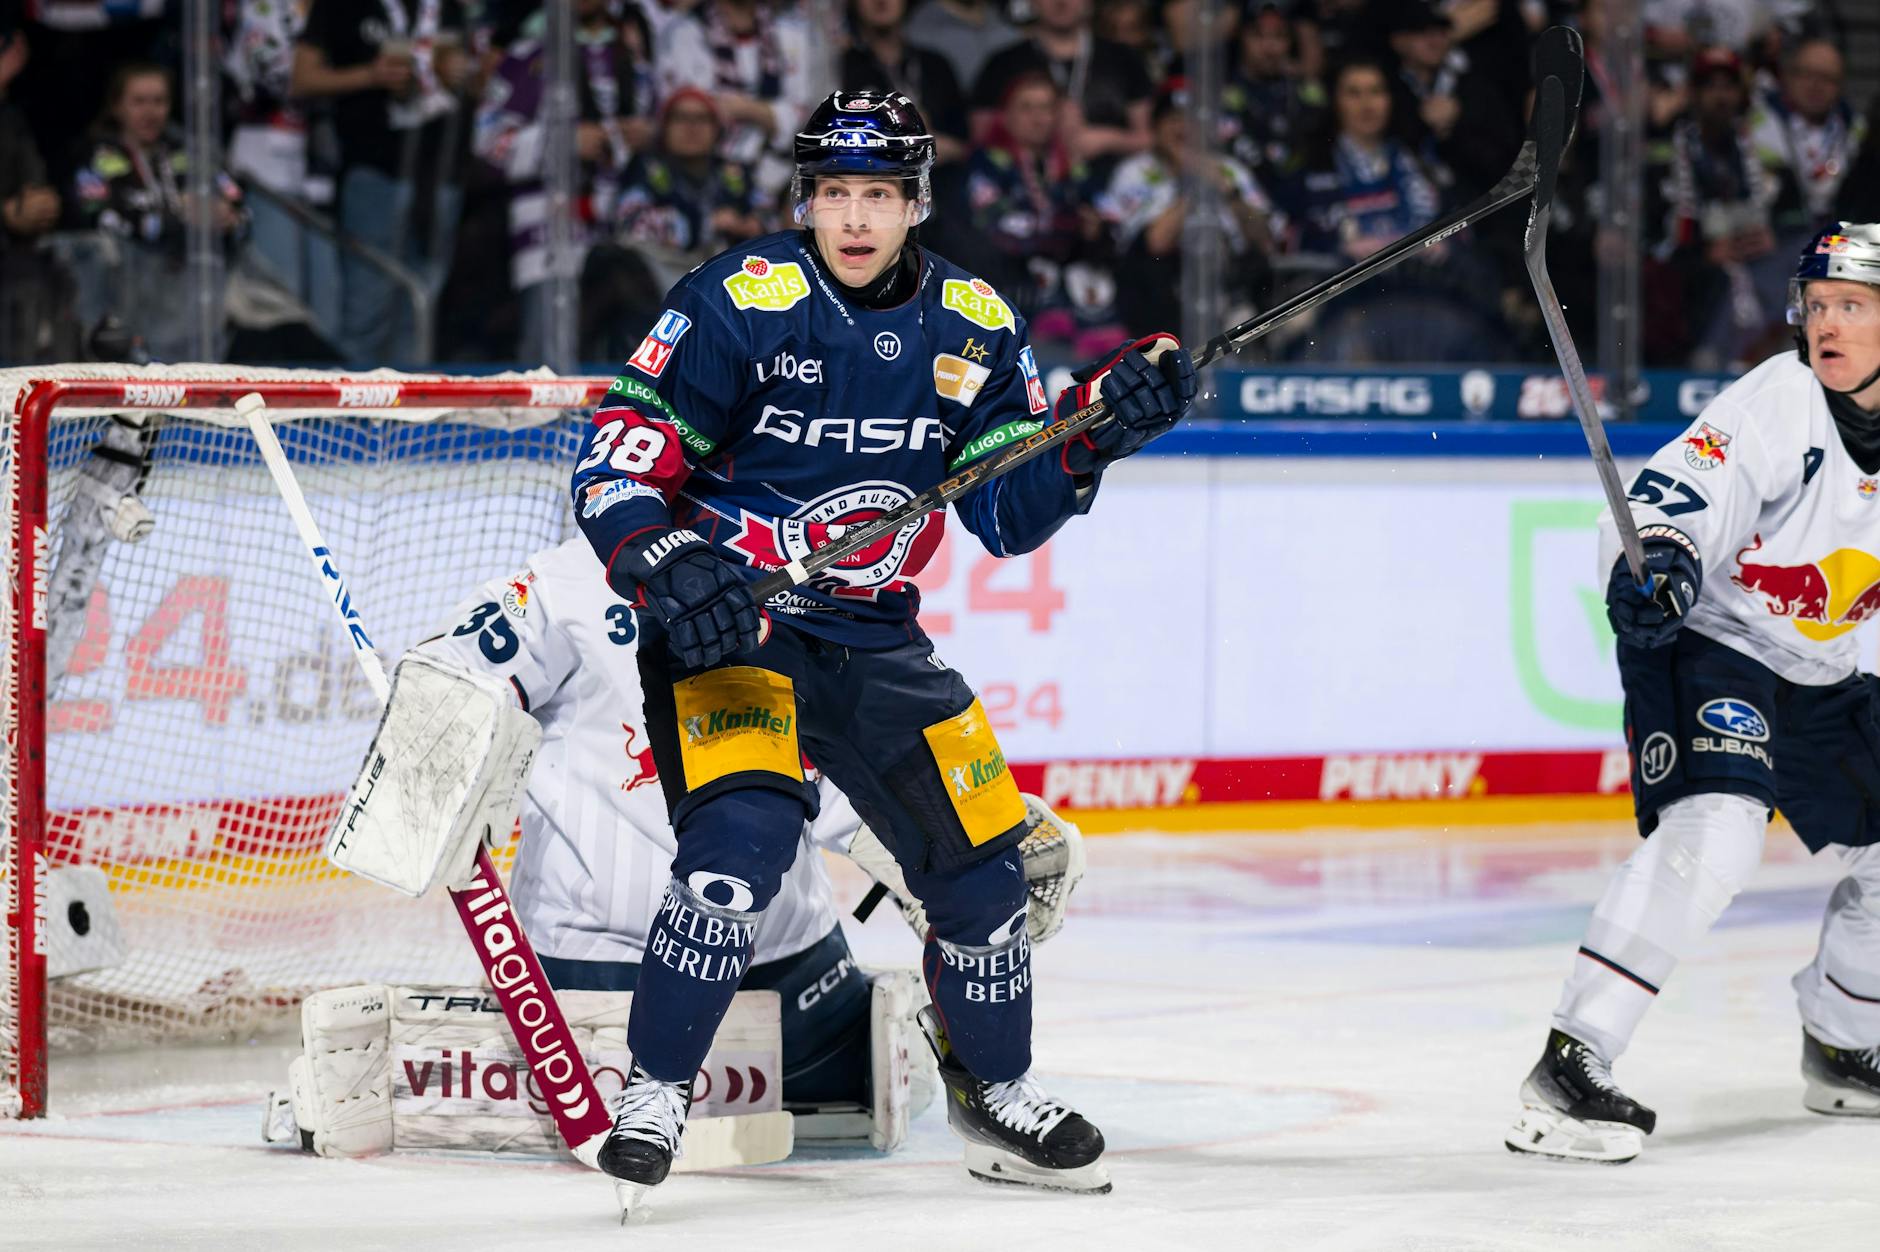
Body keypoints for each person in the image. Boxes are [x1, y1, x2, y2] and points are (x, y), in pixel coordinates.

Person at [569, 88, 1196, 1196]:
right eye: (832, 194)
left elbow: (1005, 511)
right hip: (737, 631)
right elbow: (613, 464)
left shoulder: (971, 323)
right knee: (739, 851)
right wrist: (671, 565)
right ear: (804, 199)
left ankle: (996, 1094)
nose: (853, 219)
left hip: (871, 636)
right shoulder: (737, 302)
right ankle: (655, 1091)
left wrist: (1095, 435)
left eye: (878, 196)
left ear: (915, 203)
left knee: (985, 870)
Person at [391, 533, 1084, 1136]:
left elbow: (443, 683)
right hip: (747, 994)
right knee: (898, 1063)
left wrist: (942, 848)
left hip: (708, 985)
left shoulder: (562, 584)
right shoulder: (575, 586)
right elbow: (447, 682)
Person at [1506, 221, 1880, 1165]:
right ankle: (1571, 1063)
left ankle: (1843, 1040)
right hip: (1713, 644)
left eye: (1855, 307)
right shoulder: (1783, 398)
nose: (1827, 325)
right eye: (1819, 305)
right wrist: (1659, 560)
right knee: (1717, 830)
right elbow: (1677, 495)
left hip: (1826, 671)